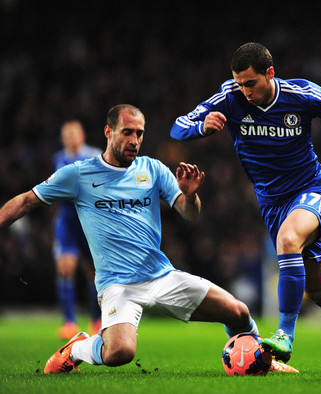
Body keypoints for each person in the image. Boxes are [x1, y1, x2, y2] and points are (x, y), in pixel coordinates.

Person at [0, 104, 287, 374]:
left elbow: (190, 214)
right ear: (108, 132)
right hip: (118, 285)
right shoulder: (79, 175)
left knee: (238, 312)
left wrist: (189, 195)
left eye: (139, 133)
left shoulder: (152, 169)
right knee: (120, 352)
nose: (135, 140)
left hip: (161, 276)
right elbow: (26, 201)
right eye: (127, 132)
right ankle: (77, 348)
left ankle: (261, 359)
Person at [171, 42, 321, 373]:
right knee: (319, 290)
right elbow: (178, 126)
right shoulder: (229, 97)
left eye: (251, 83)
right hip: (273, 204)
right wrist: (200, 128)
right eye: (239, 83)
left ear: (270, 74)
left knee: (288, 241)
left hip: (312, 190)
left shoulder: (301, 94)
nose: (245, 91)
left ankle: (284, 334)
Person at [52, 120, 103, 339]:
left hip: (88, 222)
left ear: (82, 136)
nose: (71, 138)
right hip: (67, 222)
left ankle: (96, 320)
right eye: (67, 134)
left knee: (93, 273)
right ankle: (69, 322)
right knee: (65, 269)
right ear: (63, 138)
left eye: (74, 133)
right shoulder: (58, 158)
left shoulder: (94, 155)